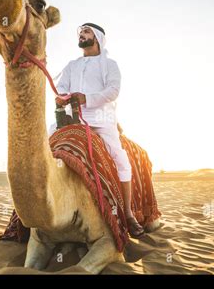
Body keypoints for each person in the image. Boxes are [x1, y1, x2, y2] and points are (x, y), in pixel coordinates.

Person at [49, 23, 144, 238]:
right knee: (46, 142)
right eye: (80, 32)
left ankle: (128, 214)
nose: (82, 35)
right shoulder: (72, 65)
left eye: (86, 32)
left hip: (101, 118)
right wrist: (61, 95)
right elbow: (62, 86)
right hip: (72, 117)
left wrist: (87, 99)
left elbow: (113, 90)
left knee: (120, 158)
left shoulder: (109, 65)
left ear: (98, 38)